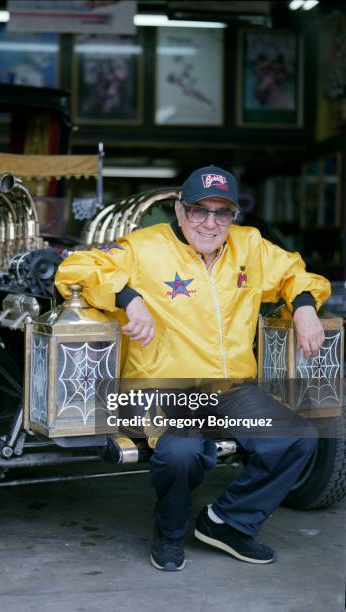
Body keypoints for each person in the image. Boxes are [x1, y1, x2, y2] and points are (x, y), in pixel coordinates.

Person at [55, 165, 330, 571]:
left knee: (299, 437)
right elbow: (74, 270)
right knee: (182, 453)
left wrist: (305, 307)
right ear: (179, 211)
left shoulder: (249, 246)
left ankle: (227, 522)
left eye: (222, 213)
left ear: (233, 217)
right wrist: (129, 298)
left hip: (230, 389)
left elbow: (294, 272)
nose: (209, 222)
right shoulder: (143, 248)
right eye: (199, 210)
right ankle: (168, 532)